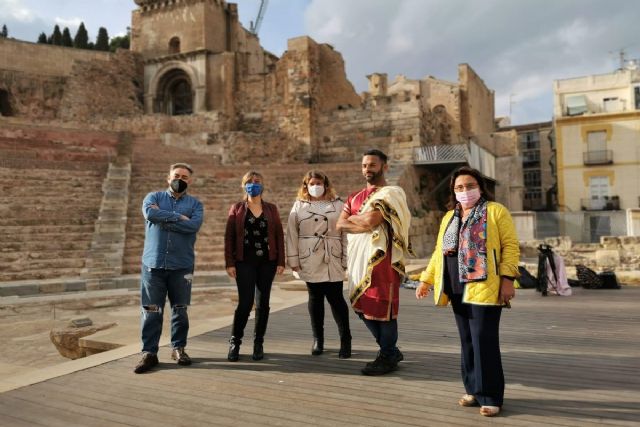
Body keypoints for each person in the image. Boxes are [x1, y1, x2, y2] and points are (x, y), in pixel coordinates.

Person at [415, 166, 519, 417]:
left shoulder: (495, 211)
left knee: (484, 340)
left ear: (480, 187)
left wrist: (508, 280)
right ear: (453, 191)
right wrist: (425, 280)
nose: (465, 191)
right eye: (459, 188)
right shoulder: (449, 216)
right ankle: (473, 388)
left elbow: (511, 246)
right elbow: (438, 253)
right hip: (455, 286)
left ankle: (491, 395)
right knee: (467, 340)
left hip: (485, 284)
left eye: (470, 186)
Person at [337, 149, 412, 375]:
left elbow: (371, 221)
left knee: (383, 307)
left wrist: (355, 220)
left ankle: (387, 354)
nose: (367, 169)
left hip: (382, 259)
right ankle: (390, 350)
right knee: (361, 305)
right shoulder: (354, 197)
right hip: (358, 260)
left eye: (372, 165)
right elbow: (339, 225)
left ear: (384, 167)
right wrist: (360, 222)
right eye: (364, 165)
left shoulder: (391, 194)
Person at [134, 163, 204, 374]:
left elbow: (194, 226)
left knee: (180, 310)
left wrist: (163, 218)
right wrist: (178, 218)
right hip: (153, 264)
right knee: (151, 310)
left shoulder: (195, 204)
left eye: (184, 176)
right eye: (176, 175)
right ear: (168, 178)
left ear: (189, 181)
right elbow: (150, 214)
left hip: (181, 265)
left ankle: (178, 348)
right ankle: (149, 352)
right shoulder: (153, 198)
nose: (180, 179)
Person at [286, 170, 352, 358]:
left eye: (319, 183)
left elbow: (345, 233)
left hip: (332, 255)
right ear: (305, 185)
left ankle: (345, 340)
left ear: (326, 184)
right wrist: (294, 261)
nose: (316, 186)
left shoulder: (339, 204)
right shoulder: (299, 206)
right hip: (310, 256)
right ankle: (318, 340)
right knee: (315, 299)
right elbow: (291, 234)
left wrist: (346, 259)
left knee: (336, 299)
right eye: (312, 183)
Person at [224, 171, 285, 361]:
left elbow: (279, 236)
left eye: (257, 181)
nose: (253, 184)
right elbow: (230, 237)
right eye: (249, 181)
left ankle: (258, 343)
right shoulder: (237, 209)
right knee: (245, 303)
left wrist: (281, 261)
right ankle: (235, 341)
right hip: (244, 261)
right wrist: (230, 262)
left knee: (263, 304)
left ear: (263, 185)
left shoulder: (271, 209)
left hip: (267, 261)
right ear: (244, 186)